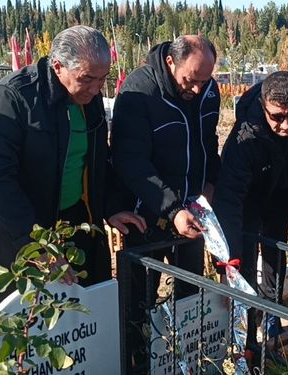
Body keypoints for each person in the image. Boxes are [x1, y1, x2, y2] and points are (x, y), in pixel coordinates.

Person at [0, 25, 146, 309]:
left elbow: (95, 162)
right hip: (16, 231)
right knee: (24, 322)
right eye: (87, 79)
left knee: (82, 312)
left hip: (72, 221)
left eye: (102, 80)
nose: (95, 89)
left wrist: (110, 206)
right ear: (58, 66)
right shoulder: (11, 98)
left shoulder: (87, 100)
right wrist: (36, 245)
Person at [110, 35, 220, 370]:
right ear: (171, 62)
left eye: (205, 80)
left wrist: (209, 185)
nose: (199, 89)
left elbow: (208, 143)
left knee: (190, 291)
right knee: (139, 298)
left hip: (192, 211)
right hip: (147, 214)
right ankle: (138, 360)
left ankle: (182, 359)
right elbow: (131, 161)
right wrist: (172, 209)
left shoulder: (208, 91)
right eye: (192, 80)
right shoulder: (138, 93)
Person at [213, 71, 288, 355]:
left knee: (275, 254)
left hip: (284, 191)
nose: (286, 125)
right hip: (250, 196)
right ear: (264, 106)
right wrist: (227, 262)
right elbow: (228, 199)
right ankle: (247, 328)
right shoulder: (246, 134)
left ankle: (272, 318)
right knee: (247, 255)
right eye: (277, 117)